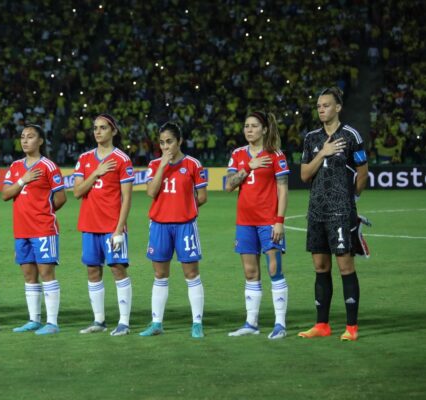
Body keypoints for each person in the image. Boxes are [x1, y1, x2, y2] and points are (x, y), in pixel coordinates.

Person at [298, 87, 368, 341]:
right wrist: (323, 153)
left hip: (341, 211)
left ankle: (351, 327)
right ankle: (322, 325)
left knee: (345, 266)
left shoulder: (351, 136)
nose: (321, 109)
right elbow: (305, 175)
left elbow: (362, 172)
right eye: (318, 106)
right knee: (320, 266)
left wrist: (352, 200)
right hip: (316, 210)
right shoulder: (312, 138)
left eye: (326, 105)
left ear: (338, 107)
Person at [139, 122, 208, 338]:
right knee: (160, 274)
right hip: (159, 225)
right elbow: (151, 192)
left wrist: (185, 208)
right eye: (161, 142)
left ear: (179, 141)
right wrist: (162, 166)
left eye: (169, 141)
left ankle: (197, 323)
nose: (165, 146)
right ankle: (156, 323)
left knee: (191, 273)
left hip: (185, 225)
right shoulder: (154, 165)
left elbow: (202, 196)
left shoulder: (194, 164)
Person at [224, 111, 290, 339]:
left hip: (268, 221)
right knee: (250, 272)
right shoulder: (238, 154)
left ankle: (280, 324)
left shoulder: (275, 155)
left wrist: (279, 222)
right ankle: (251, 323)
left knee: (274, 269)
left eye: (253, 126)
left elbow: (282, 189)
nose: (248, 130)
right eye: (246, 126)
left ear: (264, 129)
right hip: (245, 222)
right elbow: (229, 185)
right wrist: (249, 166)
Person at [2, 124, 67, 335]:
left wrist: (42, 212)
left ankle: (52, 322)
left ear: (40, 141)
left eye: (30, 137)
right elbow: (5, 194)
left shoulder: (49, 166)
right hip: (21, 230)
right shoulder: (15, 167)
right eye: (22, 137)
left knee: (46, 273)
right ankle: (34, 320)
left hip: (43, 229)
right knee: (29, 275)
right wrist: (23, 180)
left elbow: (60, 198)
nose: (25, 140)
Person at [73, 114, 135, 336]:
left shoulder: (122, 159)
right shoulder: (85, 159)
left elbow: (127, 197)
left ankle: (124, 322)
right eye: (95, 128)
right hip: (89, 224)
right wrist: (96, 173)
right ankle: (99, 321)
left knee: (118, 269)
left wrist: (119, 228)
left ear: (113, 131)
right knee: (92, 271)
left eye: (103, 128)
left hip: (111, 226)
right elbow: (77, 192)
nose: (97, 132)